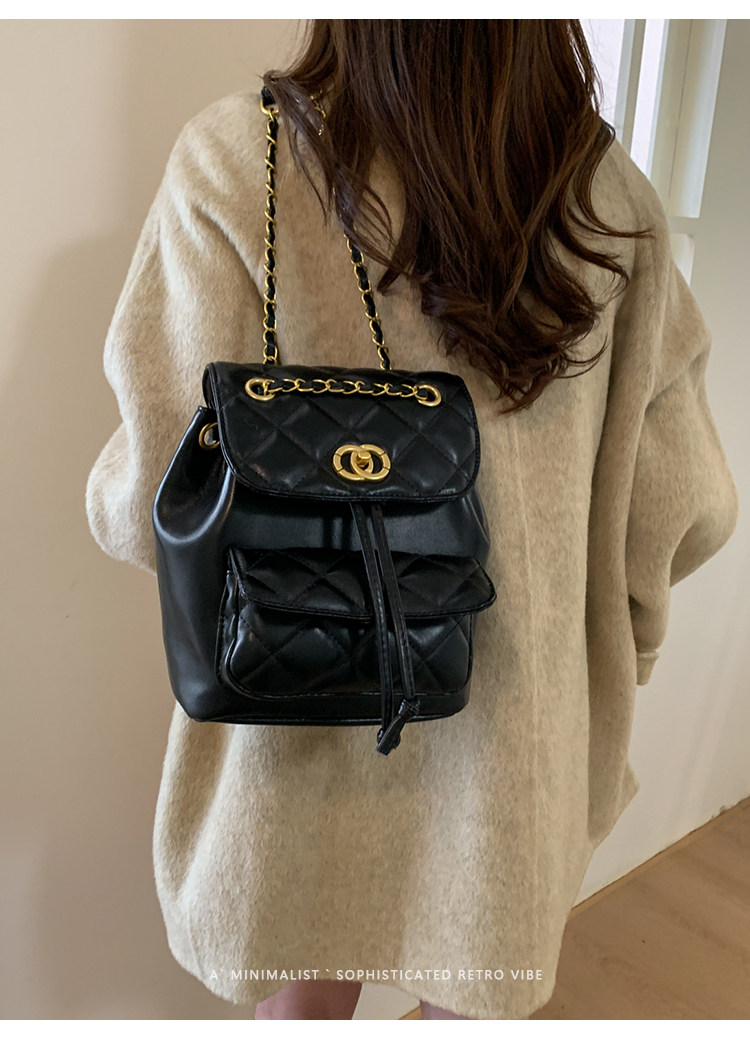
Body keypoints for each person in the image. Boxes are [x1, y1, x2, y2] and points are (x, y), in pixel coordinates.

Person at [85, 20, 739, 1020]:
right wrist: (612, 653)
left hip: (289, 719)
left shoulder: (241, 158)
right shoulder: (607, 199)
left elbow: (148, 500)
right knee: (474, 994)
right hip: (512, 756)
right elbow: (684, 507)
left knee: (296, 1004)